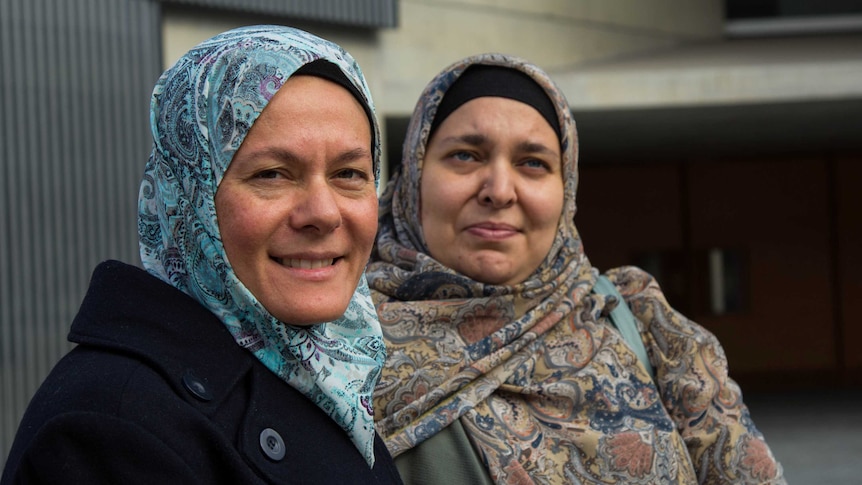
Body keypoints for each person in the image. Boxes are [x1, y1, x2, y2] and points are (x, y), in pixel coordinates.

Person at [2, 25, 402, 484]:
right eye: (272, 174)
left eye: (348, 173)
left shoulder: (329, 373)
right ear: (187, 193)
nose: (323, 213)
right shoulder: (112, 427)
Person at [367, 53, 785, 484]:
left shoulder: (648, 330)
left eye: (533, 163)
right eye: (465, 156)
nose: (499, 190)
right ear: (414, 175)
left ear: (565, 191)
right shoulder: (339, 349)